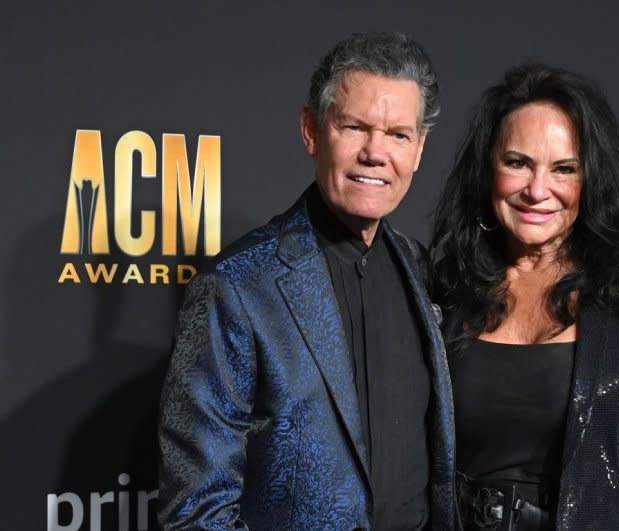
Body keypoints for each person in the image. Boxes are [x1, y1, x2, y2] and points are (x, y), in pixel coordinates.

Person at [158, 32, 455, 530]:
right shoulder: (238, 285)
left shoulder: (422, 272)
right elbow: (196, 507)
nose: (376, 153)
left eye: (399, 134)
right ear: (311, 130)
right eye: (355, 127)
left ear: (419, 148)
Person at [430, 63, 619, 530]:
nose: (538, 190)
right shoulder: (447, 288)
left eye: (564, 169)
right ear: (487, 169)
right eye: (517, 163)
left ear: (591, 178)